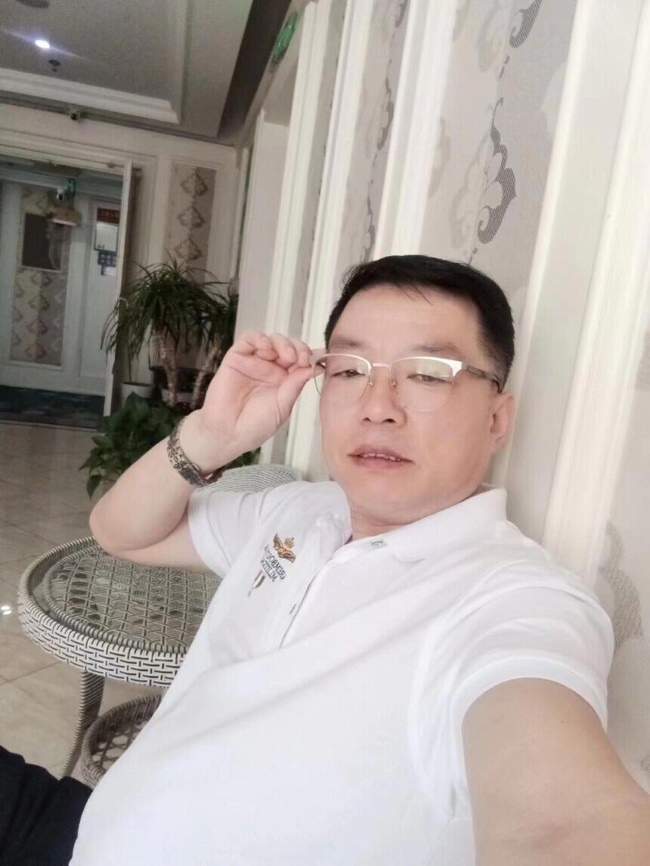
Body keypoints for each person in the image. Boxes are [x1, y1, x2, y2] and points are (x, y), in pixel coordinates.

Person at [3, 255, 649, 865]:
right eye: (349, 371)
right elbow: (121, 531)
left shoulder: (515, 599)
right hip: (86, 834)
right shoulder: (299, 510)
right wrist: (211, 436)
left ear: (498, 419)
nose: (377, 407)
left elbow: (562, 824)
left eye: (427, 374)